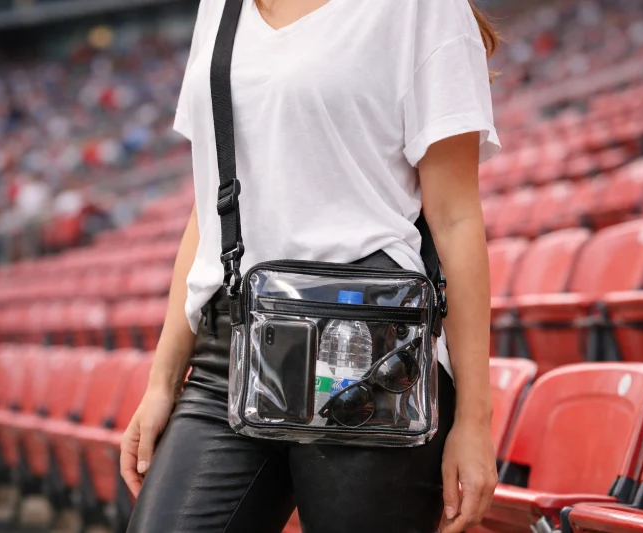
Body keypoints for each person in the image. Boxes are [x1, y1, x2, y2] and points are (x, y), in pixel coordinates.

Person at [121, 0, 500, 532]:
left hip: (369, 353)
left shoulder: (421, 8)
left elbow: (455, 219)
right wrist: (161, 382)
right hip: (232, 343)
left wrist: (475, 422)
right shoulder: (221, 7)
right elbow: (209, 207)